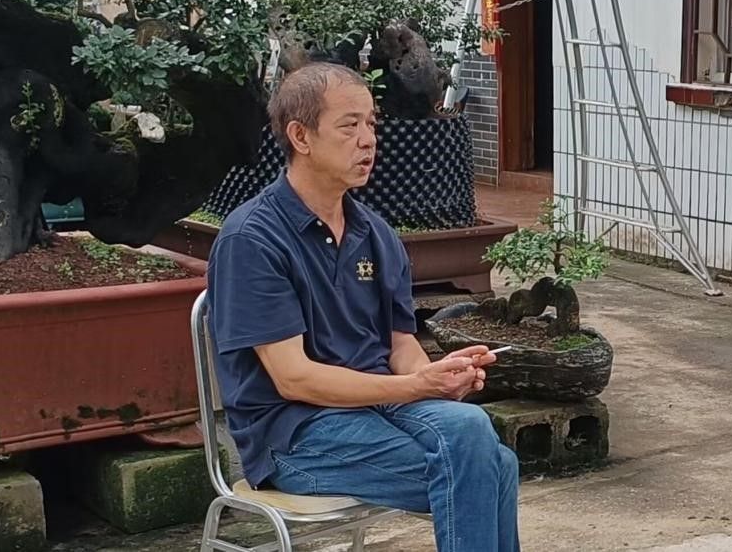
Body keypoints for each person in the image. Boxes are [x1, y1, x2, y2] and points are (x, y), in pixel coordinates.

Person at [206, 61, 520, 552]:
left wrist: (436, 376)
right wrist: (415, 386)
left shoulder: (375, 232)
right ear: (301, 136)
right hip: (295, 434)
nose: (369, 139)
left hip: (379, 407)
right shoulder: (252, 239)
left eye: (371, 123)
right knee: (491, 466)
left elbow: (400, 344)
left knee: (471, 431)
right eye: (349, 125)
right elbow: (293, 379)